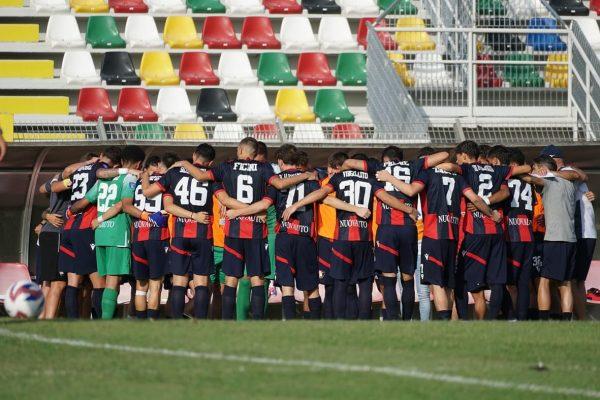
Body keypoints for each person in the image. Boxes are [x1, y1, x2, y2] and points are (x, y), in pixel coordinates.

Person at [169, 138, 314, 320]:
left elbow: (201, 177)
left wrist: (183, 163)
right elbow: (280, 185)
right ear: (255, 153)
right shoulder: (264, 168)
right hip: (256, 231)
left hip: (233, 231)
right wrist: (305, 175)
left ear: (239, 150)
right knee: (257, 279)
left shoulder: (226, 166)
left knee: (231, 279)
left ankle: (228, 321)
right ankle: (257, 322)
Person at [283, 154, 418, 320]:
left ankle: (340, 325)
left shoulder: (338, 177)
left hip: (342, 237)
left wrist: (296, 205)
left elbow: (322, 195)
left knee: (341, 283)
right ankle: (364, 324)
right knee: (364, 284)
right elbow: (386, 198)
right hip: (364, 238)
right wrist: (408, 210)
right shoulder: (370, 178)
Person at [377, 150, 500, 321]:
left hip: (433, 234)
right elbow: (476, 199)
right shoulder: (457, 177)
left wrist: (389, 178)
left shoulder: (427, 174)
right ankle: (448, 323)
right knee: (448, 284)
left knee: (437, 284)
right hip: (453, 234)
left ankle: (442, 321)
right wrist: (491, 214)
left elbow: (411, 190)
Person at [342, 146, 449, 320]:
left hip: (387, 229)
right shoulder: (415, 166)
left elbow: (348, 162)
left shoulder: (378, 167)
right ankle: (407, 321)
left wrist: (347, 174)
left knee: (389, 279)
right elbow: (444, 154)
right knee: (407, 280)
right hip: (409, 229)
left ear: (386, 159)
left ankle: (392, 320)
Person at [452, 141, 531, 320]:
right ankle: (493, 321)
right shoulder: (498, 171)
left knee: (466, 282)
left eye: (458, 159)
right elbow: (506, 192)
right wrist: (489, 204)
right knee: (498, 281)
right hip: (498, 232)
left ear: (464, 156)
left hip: (476, 233)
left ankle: (467, 322)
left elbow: (474, 198)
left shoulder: (466, 170)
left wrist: (484, 207)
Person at [70, 145, 146, 319]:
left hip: (100, 234)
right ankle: (106, 322)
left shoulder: (104, 179)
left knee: (106, 282)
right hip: (117, 232)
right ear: (139, 164)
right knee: (113, 281)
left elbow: (84, 201)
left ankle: (104, 319)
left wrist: (71, 211)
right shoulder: (129, 178)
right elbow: (124, 205)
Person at [55, 147, 121, 319]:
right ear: (116, 163)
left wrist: (87, 162)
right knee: (99, 281)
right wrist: (126, 171)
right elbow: (102, 175)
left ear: (100, 156)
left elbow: (67, 171)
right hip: (86, 226)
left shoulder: (80, 167)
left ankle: (73, 322)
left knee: (73, 282)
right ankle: (100, 321)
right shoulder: (102, 168)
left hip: (69, 227)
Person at [521, 155, 587, 321]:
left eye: (535, 167)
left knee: (544, 281)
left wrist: (518, 171)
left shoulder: (548, 180)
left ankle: (543, 320)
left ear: (542, 168)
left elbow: (526, 178)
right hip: (571, 239)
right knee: (565, 283)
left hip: (554, 239)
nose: (534, 170)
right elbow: (577, 175)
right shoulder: (570, 182)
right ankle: (566, 321)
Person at [540, 145, 597, 320]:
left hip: (579, 233)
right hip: (579, 233)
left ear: (554, 160)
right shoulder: (564, 174)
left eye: (546, 161)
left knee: (570, 280)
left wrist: (550, 173)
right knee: (569, 280)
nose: (544, 166)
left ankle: (580, 320)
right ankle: (574, 318)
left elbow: (580, 175)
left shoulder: (566, 172)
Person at [122, 153, 178, 319]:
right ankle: (152, 321)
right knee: (155, 284)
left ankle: (140, 321)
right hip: (158, 237)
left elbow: (126, 206)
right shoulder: (167, 180)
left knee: (141, 284)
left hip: (138, 236)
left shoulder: (136, 181)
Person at [37, 171, 73, 319]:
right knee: (58, 282)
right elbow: (46, 189)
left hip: (48, 234)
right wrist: (46, 216)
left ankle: (41, 320)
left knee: (47, 282)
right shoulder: (69, 180)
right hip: (56, 234)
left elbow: (42, 189)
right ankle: (48, 321)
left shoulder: (57, 177)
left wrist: (45, 216)